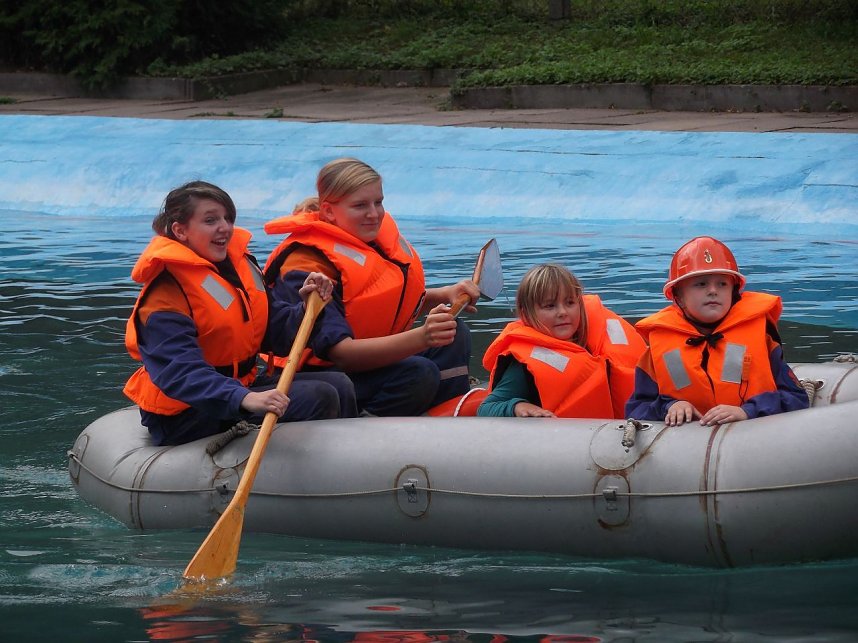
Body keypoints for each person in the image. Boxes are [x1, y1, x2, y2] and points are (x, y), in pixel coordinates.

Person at [123, 180, 357, 446]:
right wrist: (244, 398)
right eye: (211, 220)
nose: (224, 227)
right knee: (319, 395)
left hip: (237, 388)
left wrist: (306, 309)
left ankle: (339, 467)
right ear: (180, 230)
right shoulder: (165, 294)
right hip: (186, 411)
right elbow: (180, 373)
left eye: (227, 218)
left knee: (339, 383)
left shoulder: (237, 269)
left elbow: (273, 333)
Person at [263, 157, 480, 416]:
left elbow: (385, 306)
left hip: (368, 362)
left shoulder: (370, 242)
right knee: (418, 373)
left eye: (378, 202)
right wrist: (422, 337)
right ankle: (368, 426)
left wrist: (444, 295)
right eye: (360, 206)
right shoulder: (307, 263)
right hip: (324, 373)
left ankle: (444, 415)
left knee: (454, 333)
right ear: (329, 211)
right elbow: (342, 354)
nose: (374, 214)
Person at [625, 236, 809, 427]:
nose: (713, 290)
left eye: (722, 284)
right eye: (701, 284)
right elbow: (637, 409)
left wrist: (748, 411)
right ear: (678, 295)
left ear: (734, 291)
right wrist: (670, 406)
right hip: (685, 447)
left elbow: (796, 399)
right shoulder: (657, 350)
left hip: (754, 441)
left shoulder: (763, 340)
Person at [478, 263, 645, 418]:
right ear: (527, 314)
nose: (563, 312)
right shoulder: (523, 365)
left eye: (570, 303)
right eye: (550, 306)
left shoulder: (596, 341)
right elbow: (487, 407)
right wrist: (518, 406)